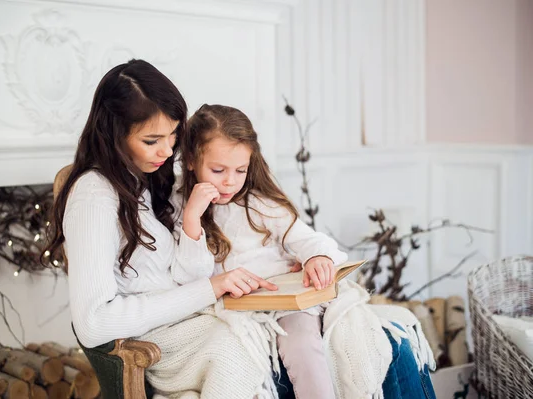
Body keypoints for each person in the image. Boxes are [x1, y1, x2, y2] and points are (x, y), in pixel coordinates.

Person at [43, 59, 281, 398]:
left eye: (173, 136)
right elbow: (93, 323)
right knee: (238, 353)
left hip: (190, 322)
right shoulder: (93, 196)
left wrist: (195, 230)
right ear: (114, 134)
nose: (168, 151)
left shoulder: (138, 184)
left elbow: (184, 275)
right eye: (152, 139)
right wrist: (209, 289)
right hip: (156, 343)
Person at [174, 104, 437, 399]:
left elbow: (311, 240)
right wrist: (192, 219)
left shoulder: (258, 204)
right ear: (191, 161)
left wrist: (316, 258)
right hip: (238, 310)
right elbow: (190, 279)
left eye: (240, 170)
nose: (230, 182)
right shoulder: (179, 209)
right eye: (218, 170)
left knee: (302, 345)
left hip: (287, 300)